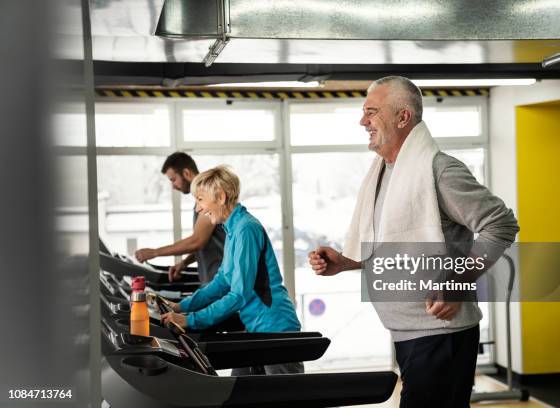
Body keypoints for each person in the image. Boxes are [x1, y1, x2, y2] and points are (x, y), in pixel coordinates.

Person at [308, 76, 519, 407]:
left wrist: (460, 283)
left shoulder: (439, 170)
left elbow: (501, 224)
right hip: (408, 334)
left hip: (441, 335)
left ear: (402, 117)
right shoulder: (385, 172)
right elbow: (394, 247)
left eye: (372, 112)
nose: (362, 121)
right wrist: (347, 263)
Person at [161, 165, 303, 375]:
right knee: (240, 390)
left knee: (286, 397)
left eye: (200, 199)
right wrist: (181, 307)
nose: (198, 209)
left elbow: (239, 294)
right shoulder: (233, 229)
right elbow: (221, 282)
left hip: (275, 328)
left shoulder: (246, 229)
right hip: (255, 327)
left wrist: (191, 320)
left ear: (220, 197)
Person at [135, 152, 225, 285]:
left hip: (222, 284)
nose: (173, 186)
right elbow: (206, 243)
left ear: (186, 173)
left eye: (173, 179)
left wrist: (155, 252)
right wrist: (184, 263)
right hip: (213, 283)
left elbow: (197, 241)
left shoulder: (209, 194)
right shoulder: (201, 199)